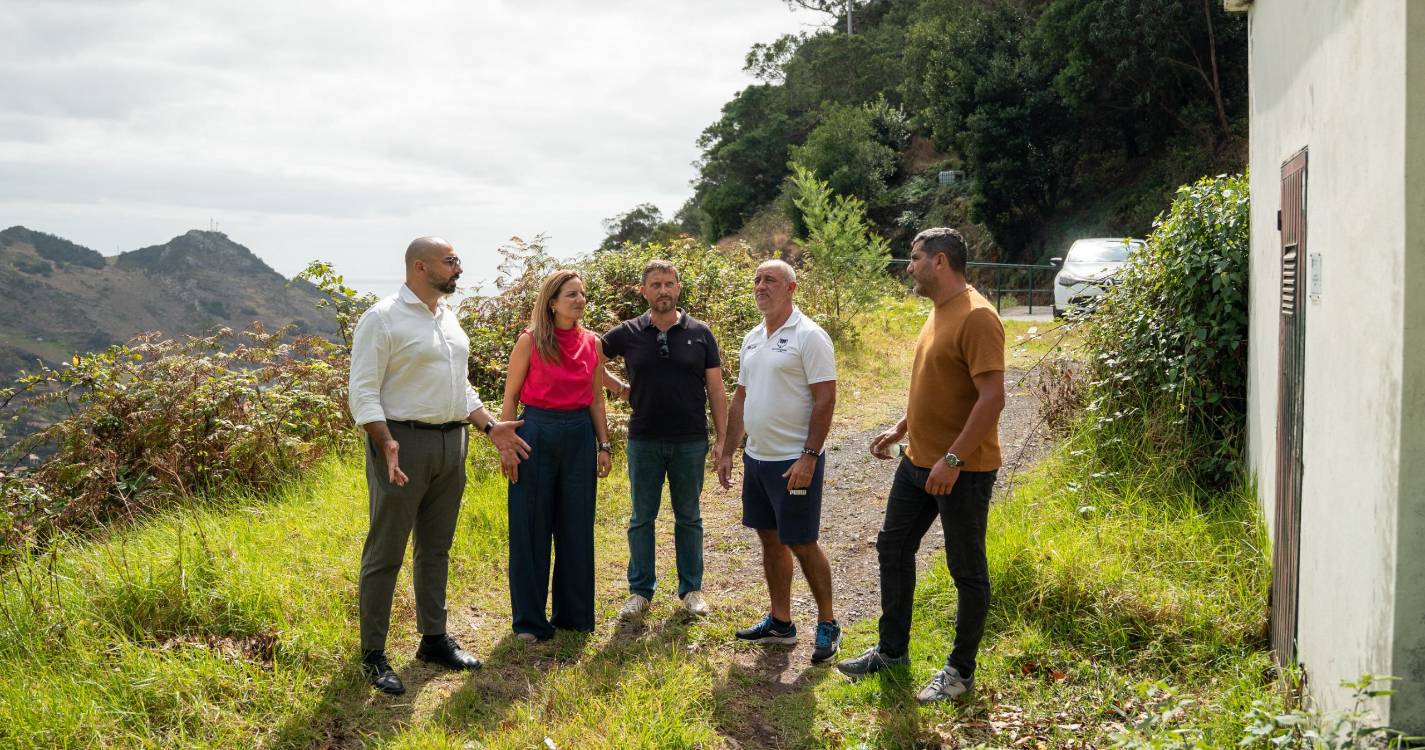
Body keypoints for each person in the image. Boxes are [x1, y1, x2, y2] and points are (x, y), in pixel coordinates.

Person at [348, 236, 531, 696]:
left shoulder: (447, 316)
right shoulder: (382, 317)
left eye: (457, 261)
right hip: (402, 444)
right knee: (386, 552)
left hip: (454, 442)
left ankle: (433, 640)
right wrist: (386, 441)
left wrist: (490, 427)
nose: (459, 269)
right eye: (451, 261)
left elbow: (459, 385)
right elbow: (363, 391)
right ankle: (373, 653)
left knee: (436, 549)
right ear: (420, 266)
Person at [833, 227, 1005, 704]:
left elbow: (992, 398)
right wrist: (902, 428)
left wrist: (954, 458)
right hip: (917, 463)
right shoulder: (937, 312)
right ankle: (892, 653)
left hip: (961, 471)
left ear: (941, 262)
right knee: (892, 547)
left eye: (915, 258)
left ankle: (959, 672)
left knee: (965, 570)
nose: (909, 267)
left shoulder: (978, 317)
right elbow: (942, 384)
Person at [717, 259, 841, 664]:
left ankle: (828, 623)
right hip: (758, 459)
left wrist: (809, 456)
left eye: (769, 279)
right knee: (769, 538)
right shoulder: (753, 337)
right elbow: (740, 398)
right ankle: (781, 622)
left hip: (794, 461)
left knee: (802, 541)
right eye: (756, 280)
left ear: (791, 287)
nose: (760, 286)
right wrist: (729, 450)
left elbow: (825, 398)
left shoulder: (810, 336)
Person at [602, 259, 728, 620]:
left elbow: (717, 390)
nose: (663, 291)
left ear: (678, 288)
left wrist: (722, 440)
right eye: (655, 285)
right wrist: (619, 388)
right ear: (643, 291)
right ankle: (640, 591)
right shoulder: (627, 332)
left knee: (689, 516)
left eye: (669, 284)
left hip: (690, 439)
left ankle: (691, 590)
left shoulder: (700, 332)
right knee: (642, 517)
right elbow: (588, 362)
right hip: (644, 440)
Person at [501, 269, 613, 642]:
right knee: (531, 526)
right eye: (571, 294)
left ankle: (574, 615)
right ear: (551, 303)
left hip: (579, 435)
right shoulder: (530, 341)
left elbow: (597, 397)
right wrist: (507, 445)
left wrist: (604, 444)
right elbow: (510, 397)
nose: (579, 300)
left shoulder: (593, 342)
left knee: (576, 526)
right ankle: (530, 622)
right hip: (535, 435)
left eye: (582, 293)